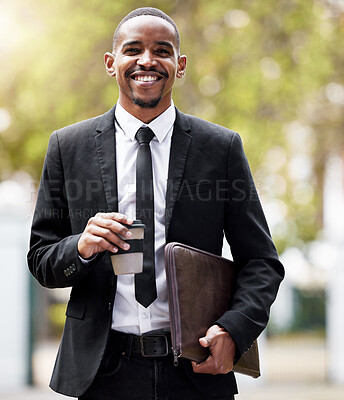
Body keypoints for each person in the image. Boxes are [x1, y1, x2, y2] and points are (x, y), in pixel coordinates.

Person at [27, 7, 284, 400]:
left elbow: (262, 262)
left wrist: (235, 329)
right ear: (112, 63)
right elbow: (42, 259)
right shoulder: (67, 147)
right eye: (133, 50)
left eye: (161, 50)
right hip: (102, 373)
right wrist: (80, 246)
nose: (147, 60)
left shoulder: (221, 148)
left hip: (195, 371)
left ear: (180, 66)